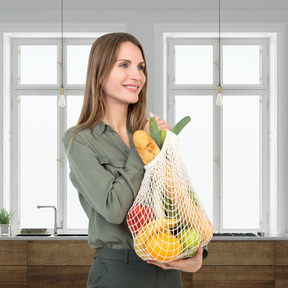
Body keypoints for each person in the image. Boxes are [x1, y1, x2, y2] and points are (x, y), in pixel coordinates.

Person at [63, 32, 203, 288]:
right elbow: (114, 209)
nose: (137, 76)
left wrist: (197, 255)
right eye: (124, 65)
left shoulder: (152, 137)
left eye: (140, 67)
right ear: (100, 73)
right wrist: (141, 149)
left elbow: (179, 204)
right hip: (119, 273)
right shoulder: (80, 140)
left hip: (170, 269)